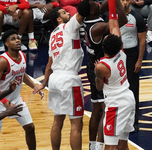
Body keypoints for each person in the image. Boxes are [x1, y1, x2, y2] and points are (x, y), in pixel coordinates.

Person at [32, 1, 91, 149]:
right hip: (69, 79)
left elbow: (49, 65)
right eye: (64, 13)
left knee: (57, 122)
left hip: (55, 80)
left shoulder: (52, 35)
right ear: (59, 19)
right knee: (76, 124)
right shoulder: (69, 26)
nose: (68, 13)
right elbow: (83, 10)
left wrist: (44, 84)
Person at [0, 29, 43, 150]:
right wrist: (5, 102)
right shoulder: (2, 61)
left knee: (30, 128)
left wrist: (35, 86)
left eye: (18, 38)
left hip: (16, 100)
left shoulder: (22, 55)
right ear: (6, 44)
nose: (17, 40)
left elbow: (22, 74)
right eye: (13, 39)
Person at [83, 0, 127, 149]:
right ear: (92, 11)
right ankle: (100, 145)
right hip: (102, 67)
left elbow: (100, 8)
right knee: (104, 109)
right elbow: (121, 21)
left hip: (91, 64)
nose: (96, 2)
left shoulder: (88, 19)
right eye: (93, 3)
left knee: (96, 108)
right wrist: (116, 2)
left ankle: (91, 145)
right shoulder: (98, 27)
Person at [94, 0, 135, 148]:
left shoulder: (101, 67)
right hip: (128, 99)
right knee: (123, 144)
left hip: (116, 104)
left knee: (110, 146)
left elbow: (98, 87)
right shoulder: (121, 52)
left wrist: (96, 71)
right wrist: (112, 2)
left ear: (103, 47)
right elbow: (114, 22)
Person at [120, 0, 146, 132]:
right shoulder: (112, 17)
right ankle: (118, 120)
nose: (123, 2)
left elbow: (142, 40)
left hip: (131, 55)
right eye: (121, 0)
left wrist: (139, 60)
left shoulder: (137, 17)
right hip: (117, 55)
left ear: (129, 1)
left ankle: (134, 122)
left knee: (133, 89)